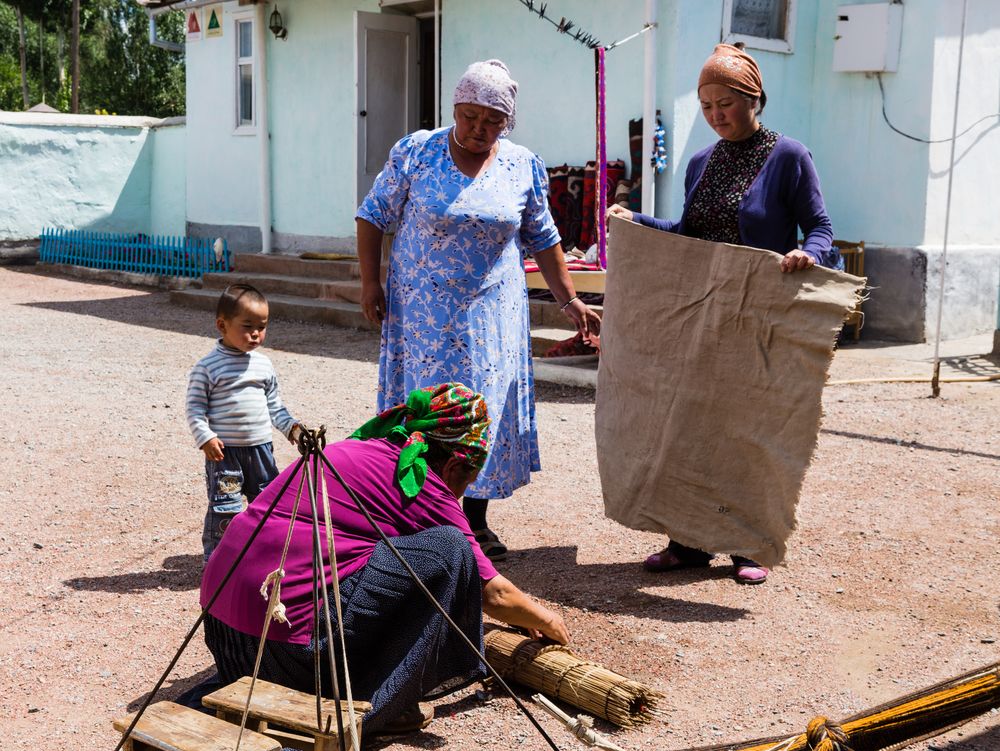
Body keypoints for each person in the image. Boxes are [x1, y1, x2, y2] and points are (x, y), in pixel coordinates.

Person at [199, 382, 568, 735]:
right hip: (287, 657)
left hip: (227, 643)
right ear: (455, 466)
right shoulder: (422, 481)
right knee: (450, 550)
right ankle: (381, 699)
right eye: (467, 482)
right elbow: (493, 595)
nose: (460, 494)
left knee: (388, 558)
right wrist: (547, 620)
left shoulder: (354, 449)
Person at [606, 43, 840, 585]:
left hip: (757, 316)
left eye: (725, 104)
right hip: (700, 317)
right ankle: (687, 542)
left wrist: (810, 254)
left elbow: (821, 228)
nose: (715, 115)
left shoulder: (789, 157)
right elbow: (690, 236)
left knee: (744, 431)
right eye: (707, 105)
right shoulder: (699, 163)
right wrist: (636, 219)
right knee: (689, 426)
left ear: (753, 98)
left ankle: (747, 544)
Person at [355, 59, 601, 561]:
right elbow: (372, 214)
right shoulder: (417, 151)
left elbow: (545, 239)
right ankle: (415, 513)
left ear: (508, 123)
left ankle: (473, 523)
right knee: (428, 407)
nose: (478, 129)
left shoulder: (521, 163)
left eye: (492, 121)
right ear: (454, 109)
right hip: (424, 314)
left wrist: (571, 301)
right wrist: (368, 282)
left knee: (480, 410)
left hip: (493, 314)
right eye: (469, 116)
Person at [186, 283, 301, 562]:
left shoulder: (263, 365)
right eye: (248, 326)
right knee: (225, 509)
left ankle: (266, 556)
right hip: (226, 454)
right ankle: (219, 562)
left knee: (268, 505)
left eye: (262, 326)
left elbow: (275, 405)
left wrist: (293, 428)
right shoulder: (207, 367)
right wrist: (205, 438)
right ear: (222, 325)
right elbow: (195, 408)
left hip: (261, 451)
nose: (256, 333)